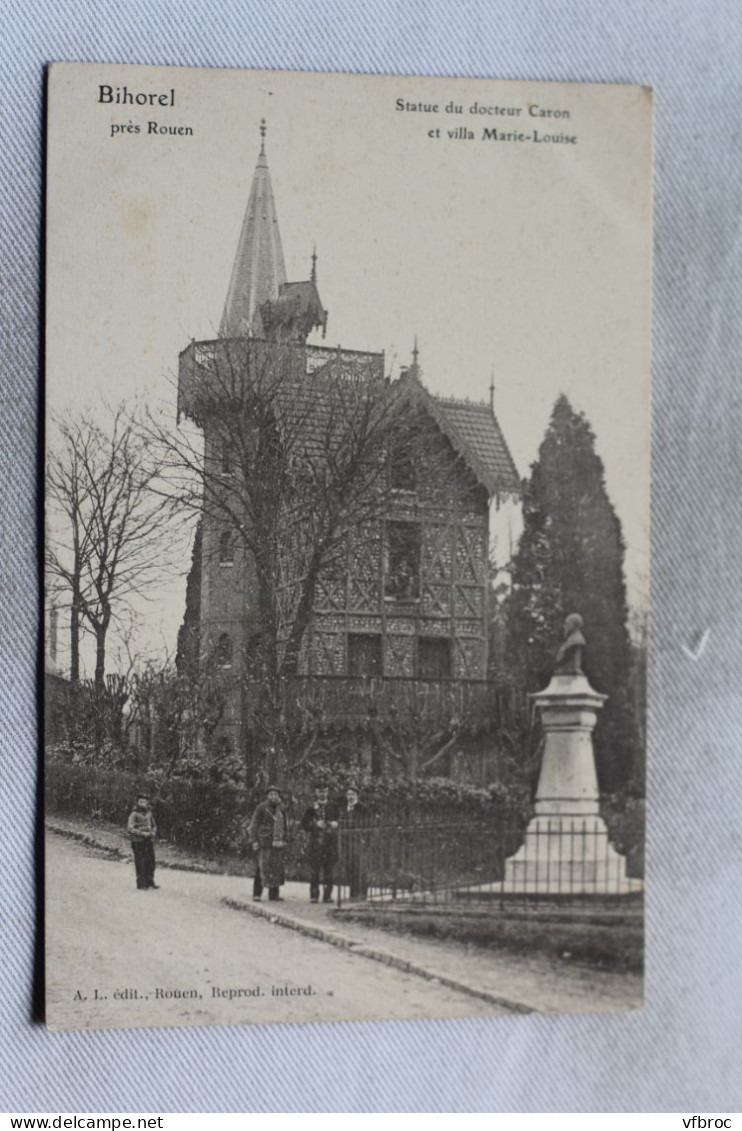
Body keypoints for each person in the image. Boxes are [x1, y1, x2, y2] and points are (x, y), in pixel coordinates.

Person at [300, 783, 340, 903]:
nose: (322, 794)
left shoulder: (333, 806)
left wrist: (336, 824)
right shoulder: (311, 808)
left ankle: (327, 896)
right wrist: (315, 825)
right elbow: (304, 824)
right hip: (316, 843)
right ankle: (314, 895)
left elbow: (340, 820)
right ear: (316, 793)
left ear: (327, 793)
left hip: (330, 843)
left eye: (324, 792)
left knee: (329, 870)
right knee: (315, 871)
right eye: (319, 792)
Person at [248, 785, 287, 902]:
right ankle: (257, 894)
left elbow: (286, 825)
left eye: (276, 794)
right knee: (262, 867)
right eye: (271, 794)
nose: (273, 796)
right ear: (267, 795)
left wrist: (285, 839)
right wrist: (254, 840)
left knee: (277, 868)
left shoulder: (282, 808)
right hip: (264, 841)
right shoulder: (261, 808)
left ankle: (274, 894)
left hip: (278, 842)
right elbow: (254, 825)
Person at [341, 784, 369, 900]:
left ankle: (362, 893)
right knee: (350, 867)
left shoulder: (363, 808)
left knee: (360, 867)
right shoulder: (344, 809)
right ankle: (353, 893)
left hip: (358, 841)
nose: (350, 797)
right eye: (348, 794)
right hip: (347, 842)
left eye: (352, 794)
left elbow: (366, 824)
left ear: (357, 796)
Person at [127, 793, 158, 890]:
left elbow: (154, 825)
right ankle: (141, 884)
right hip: (137, 841)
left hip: (148, 840)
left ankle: (150, 881)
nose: (142, 804)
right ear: (137, 803)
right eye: (140, 802)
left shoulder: (149, 813)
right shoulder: (134, 814)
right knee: (140, 862)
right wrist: (141, 833)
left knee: (151, 861)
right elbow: (130, 828)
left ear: (147, 802)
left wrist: (153, 832)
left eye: (144, 802)